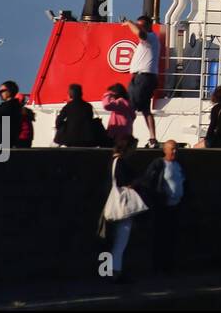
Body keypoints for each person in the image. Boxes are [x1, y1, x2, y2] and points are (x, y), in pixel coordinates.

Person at [103, 137, 148, 283]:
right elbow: (123, 183)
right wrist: (136, 182)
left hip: (113, 203)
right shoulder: (121, 162)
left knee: (113, 240)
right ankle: (115, 271)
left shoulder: (113, 161)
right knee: (121, 240)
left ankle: (107, 271)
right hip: (122, 205)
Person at [141, 140, 185, 273]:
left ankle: (170, 265)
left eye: (176, 149)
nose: (174, 152)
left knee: (173, 237)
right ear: (165, 150)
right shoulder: (159, 164)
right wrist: (158, 197)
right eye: (172, 149)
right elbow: (149, 181)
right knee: (160, 236)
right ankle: (158, 266)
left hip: (176, 206)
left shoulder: (179, 165)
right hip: (162, 206)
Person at [122, 16, 160, 148]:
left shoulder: (149, 37)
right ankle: (152, 139)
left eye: (141, 25)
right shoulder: (147, 43)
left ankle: (128, 137)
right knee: (145, 109)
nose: (139, 27)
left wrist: (129, 23)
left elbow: (140, 33)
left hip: (142, 78)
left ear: (149, 26)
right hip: (145, 78)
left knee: (130, 108)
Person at [0, 80, 32, 149]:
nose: (0, 93)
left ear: (10, 91)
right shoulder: (13, 105)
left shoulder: (11, 105)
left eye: (2, 91)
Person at [54, 83, 99, 147]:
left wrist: (64, 127)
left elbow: (58, 121)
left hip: (71, 139)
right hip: (87, 139)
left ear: (70, 94)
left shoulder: (68, 106)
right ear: (81, 93)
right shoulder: (88, 106)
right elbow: (90, 119)